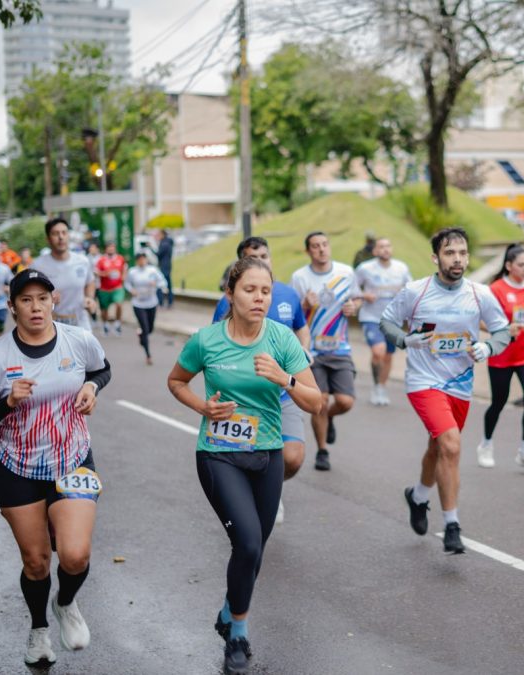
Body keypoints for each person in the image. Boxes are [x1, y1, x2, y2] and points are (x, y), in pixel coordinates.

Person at [166, 257, 321, 674]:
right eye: (249, 290)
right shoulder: (206, 341)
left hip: (267, 453)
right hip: (218, 454)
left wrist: (283, 379)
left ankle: (228, 610)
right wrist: (202, 406)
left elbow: (315, 400)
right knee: (248, 543)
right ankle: (237, 634)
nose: (259, 298)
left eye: (266, 291)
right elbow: (176, 381)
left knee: (255, 551)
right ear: (230, 294)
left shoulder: (282, 340)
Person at [0, 269, 111, 667]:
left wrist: (91, 387)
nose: (35, 307)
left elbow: (102, 368)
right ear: (12, 307)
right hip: (17, 467)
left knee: (75, 555)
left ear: (54, 301)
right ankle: (38, 628)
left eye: (42, 298)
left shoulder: (78, 340)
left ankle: (65, 603)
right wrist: (6, 403)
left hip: (72, 459)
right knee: (36, 561)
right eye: (26, 300)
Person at [380, 227, 511, 554]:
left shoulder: (479, 293)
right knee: (451, 444)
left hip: (460, 384)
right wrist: (404, 339)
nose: (457, 259)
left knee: (439, 446)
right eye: (450, 253)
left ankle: (418, 496)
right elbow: (387, 321)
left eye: (463, 253)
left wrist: (489, 348)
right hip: (423, 382)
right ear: (435, 257)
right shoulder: (416, 291)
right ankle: (452, 524)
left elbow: (502, 330)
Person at [214, 237, 310, 524]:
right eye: (252, 257)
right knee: (243, 459)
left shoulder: (288, 295)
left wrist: (303, 350)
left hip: (282, 391)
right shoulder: (227, 303)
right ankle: (253, 494)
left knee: (292, 458)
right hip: (246, 396)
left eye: (264, 255)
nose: (261, 261)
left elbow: (301, 327)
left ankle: (270, 488)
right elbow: (217, 345)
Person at [290, 232, 362, 471]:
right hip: (312, 350)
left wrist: (354, 306)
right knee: (319, 401)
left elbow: (357, 299)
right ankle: (322, 450)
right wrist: (304, 305)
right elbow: (292, 313)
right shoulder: (300, 277)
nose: (321, 249)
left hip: (340, 347)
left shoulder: (345, 272)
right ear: (308, 251)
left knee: (345, 401)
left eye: (324, 244)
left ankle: (329, 417)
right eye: (315, 246)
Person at [477, 244, 524, 472]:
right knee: (498, 402)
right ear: (508, 266)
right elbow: (480, 320)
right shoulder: (496, 289)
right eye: (521, 265)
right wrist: (503, 330)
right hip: (502, 353)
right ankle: (485, 444)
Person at [354, 237, 412, 406]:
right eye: (381, 247)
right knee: (378, 352)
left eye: (388, 246)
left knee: (387, 355)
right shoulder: (365, 269)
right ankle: (375, 384)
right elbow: (352, 287)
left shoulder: (401, 268)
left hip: (393, 319)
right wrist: (364, 295)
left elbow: (411, 288)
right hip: (371, 318)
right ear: (375, 251)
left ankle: (381, 387)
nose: (385, 249)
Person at [33, 218, 96, 332]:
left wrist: (89, 298)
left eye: (64, 232)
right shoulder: (37, 266)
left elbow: (90, 282)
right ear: (48, 239)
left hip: (81, 325)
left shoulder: (82, 261)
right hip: (52, 328)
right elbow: (30, 294)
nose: (61, 237)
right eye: (55, 234)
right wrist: (45, 297)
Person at [124, 252, 167, 365]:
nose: (142, 261)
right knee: (145, 327)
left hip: (151, 303)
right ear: (137, 261)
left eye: (144, 259)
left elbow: (163, 282)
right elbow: (127, 284)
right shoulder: (132, 271)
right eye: (140, 259)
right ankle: (148, 355)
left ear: (146, 260)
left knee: (150, 329)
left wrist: (156, 284)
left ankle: (141, 335)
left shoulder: (153, 270)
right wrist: (131, 290)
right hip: (138, 303)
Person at [94, 242, 127, 336]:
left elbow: (124, 269)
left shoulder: (120, 258)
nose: (111, 249)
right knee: (104, 309)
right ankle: (105, 324)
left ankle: (117, 323)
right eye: (109, 248)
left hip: (117, 287)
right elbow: (96, 272)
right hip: (104, 289)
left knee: (119, 304)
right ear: (106, 249)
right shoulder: (101, 260)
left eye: (112, 247)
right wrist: (105, 274)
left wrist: (124, 276)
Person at [154, 229, 174, 308]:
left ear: (163, 234)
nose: (158, 236)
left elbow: (158, 254)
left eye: (159, 234)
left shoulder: (164, 244)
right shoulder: (168, 243)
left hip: (164, 267)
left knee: (160, 284)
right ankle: (170, 301)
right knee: (168, 285)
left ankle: (160, 302)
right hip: (168, 266)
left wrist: (150, 248)